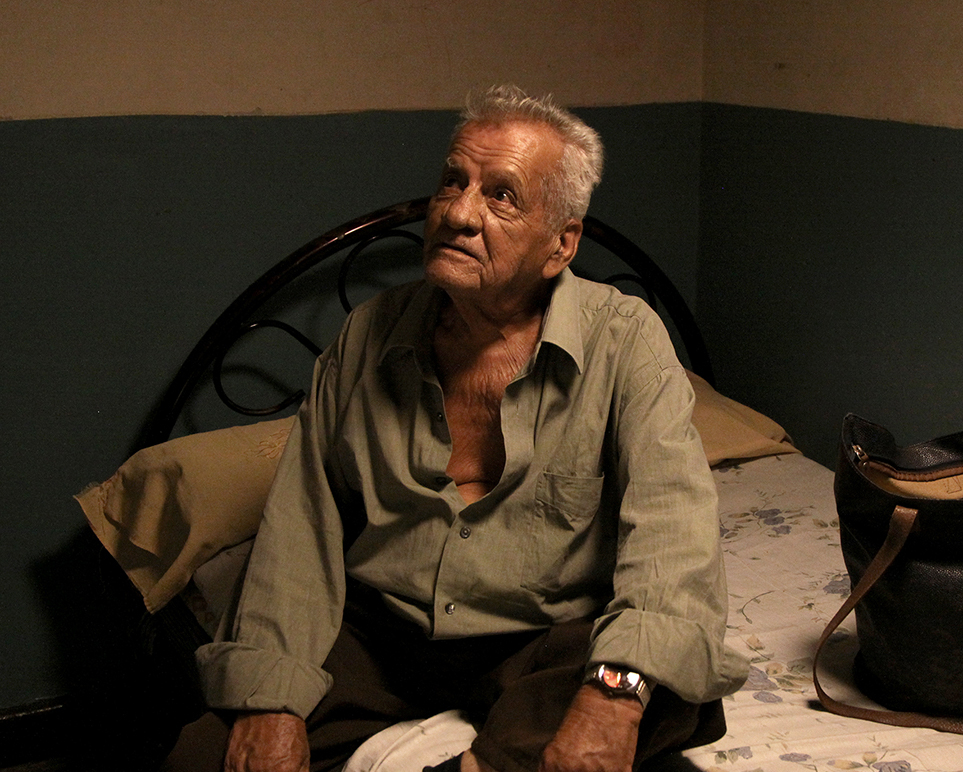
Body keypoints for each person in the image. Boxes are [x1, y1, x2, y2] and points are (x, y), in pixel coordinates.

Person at [166, 85, 747, 772]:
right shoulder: (367, 335)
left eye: (501, 195)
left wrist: (612, 697)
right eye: (452, 181)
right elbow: (301, 526)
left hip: (544, 637)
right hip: (383, 632)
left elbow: (672, 529)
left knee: (662, 684)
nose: (458, 213)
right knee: (206, 755)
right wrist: (271, 700)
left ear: (561, 244)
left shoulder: (625, 342)